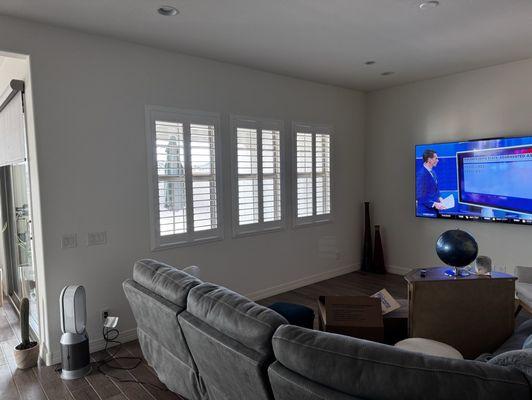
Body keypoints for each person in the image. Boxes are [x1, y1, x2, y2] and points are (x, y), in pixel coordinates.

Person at [416, 149, 446, 217]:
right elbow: (420, 196)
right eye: (436, 158)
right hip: (425, 212)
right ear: (429, 159)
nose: (438, 160)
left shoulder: (433, 172)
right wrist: (434, 204)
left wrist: (439, 198)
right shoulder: (421, 174)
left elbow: (435, 190)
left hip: (434, 211)